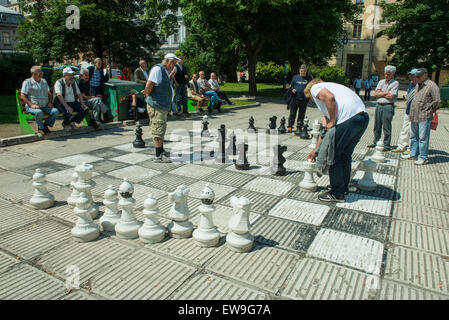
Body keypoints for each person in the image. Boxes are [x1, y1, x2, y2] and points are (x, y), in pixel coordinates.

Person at [305, 79, 369, 203]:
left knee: (333, 155)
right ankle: (343, 187)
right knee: (345, 154)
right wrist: (316, 150)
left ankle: (337, 193)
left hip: (349, 119)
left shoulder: (315, 88)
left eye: (311, 99)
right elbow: (325, 131)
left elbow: (329, 98)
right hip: (362, 118)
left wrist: (333, 120)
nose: (313, 101)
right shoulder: (334, 88)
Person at [143, 53, 179, 163]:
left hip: (162, 105)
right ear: (169, 61)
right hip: (157, 105)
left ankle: (161, 150)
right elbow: (149, 85)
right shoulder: (157, 69)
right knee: (158, 129)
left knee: (161, 128)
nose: (174, 66)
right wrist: (148, 95)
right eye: (173, 64)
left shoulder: (164, 70)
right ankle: (158, 155)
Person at [406, 68, 440, 165]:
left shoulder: (431, 85)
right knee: (413, 136)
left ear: (425, 75)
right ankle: (413, 154)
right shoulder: (418, 84)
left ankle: (423, 157)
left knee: (423, 138)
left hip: (424, 116)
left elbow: (437, 101)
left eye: (419, 76)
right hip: (414, 115)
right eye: (416, 76)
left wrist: (429, 110)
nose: (417, 78)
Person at [20, 66, 59, 135]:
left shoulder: (44, 81)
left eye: (41, 72)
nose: (41, 74)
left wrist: (50, 102)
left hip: (45, 105)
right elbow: (22, 95)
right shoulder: (27, 82)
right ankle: (40, 128)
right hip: (32, 106)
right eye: (39, 72)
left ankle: (45, 126)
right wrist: (31, 104)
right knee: (39, 112)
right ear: (33, 74)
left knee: (55, 111)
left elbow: (49, 93)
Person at [368, 65, 399, 151]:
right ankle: (376, 142)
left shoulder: (395, 83)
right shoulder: (381, 82)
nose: (386, 76)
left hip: (388, 106)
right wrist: (386, 93)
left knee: (386, 126)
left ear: (393, 74)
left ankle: (386, 145)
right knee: (377, 125)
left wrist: (381, 93)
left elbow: (391, 97)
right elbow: (375, 94)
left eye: (388, 74)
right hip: (379, 105)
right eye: (385, 74)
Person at [392, 69, 418, 154]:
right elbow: (409, 95)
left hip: (415, 112)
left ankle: (410, 148)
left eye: (412, 75)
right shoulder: (411, 84)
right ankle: (401, 146)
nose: (410, 77)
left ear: (417, 76)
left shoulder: (419, 85)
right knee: (404, 129)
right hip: (408, 111)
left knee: (412, 131)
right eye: (410, 75)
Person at [288, 65, 313, 132]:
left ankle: (299, 127)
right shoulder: (295, 77)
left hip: (304, 99)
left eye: (304, 71)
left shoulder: (309, 78)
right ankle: (290, 127)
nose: (303, 72)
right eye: (301, 71)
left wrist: (311, 98)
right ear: (299, 71)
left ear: (306, 71)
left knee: (301, 114)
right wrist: (292, 89)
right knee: (292, 113)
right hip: (295, 98)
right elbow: (291, 86)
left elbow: (312, 88)